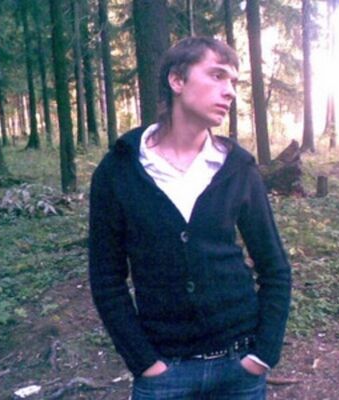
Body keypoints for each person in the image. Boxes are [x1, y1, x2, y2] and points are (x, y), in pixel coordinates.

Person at [89, 37, 291, 400]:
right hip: (163, 372)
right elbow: (106, 278)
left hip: (239, 368)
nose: (229, 91)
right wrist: (144, 362)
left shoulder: (237, 168)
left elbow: (275, 267)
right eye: (217, 75)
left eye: (233, 82)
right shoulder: (119, 169)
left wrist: (263, 354)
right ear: (177, 80)